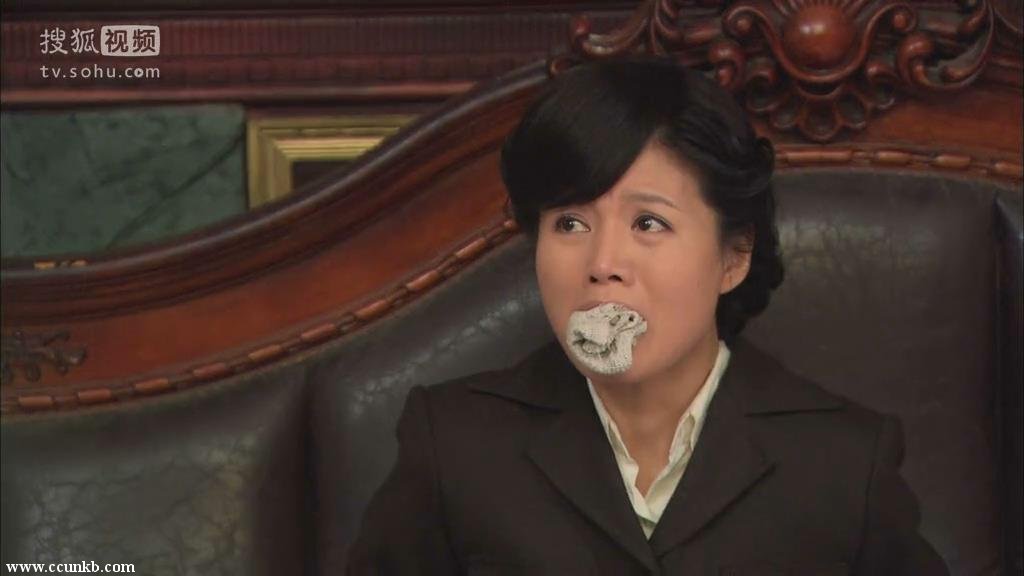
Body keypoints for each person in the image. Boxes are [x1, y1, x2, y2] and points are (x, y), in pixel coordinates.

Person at [345, 57, 950, 575]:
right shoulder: (454, 445)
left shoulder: (844, 462)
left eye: (649, 223)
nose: (603, 263)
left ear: (734, 257)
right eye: (570, 223)